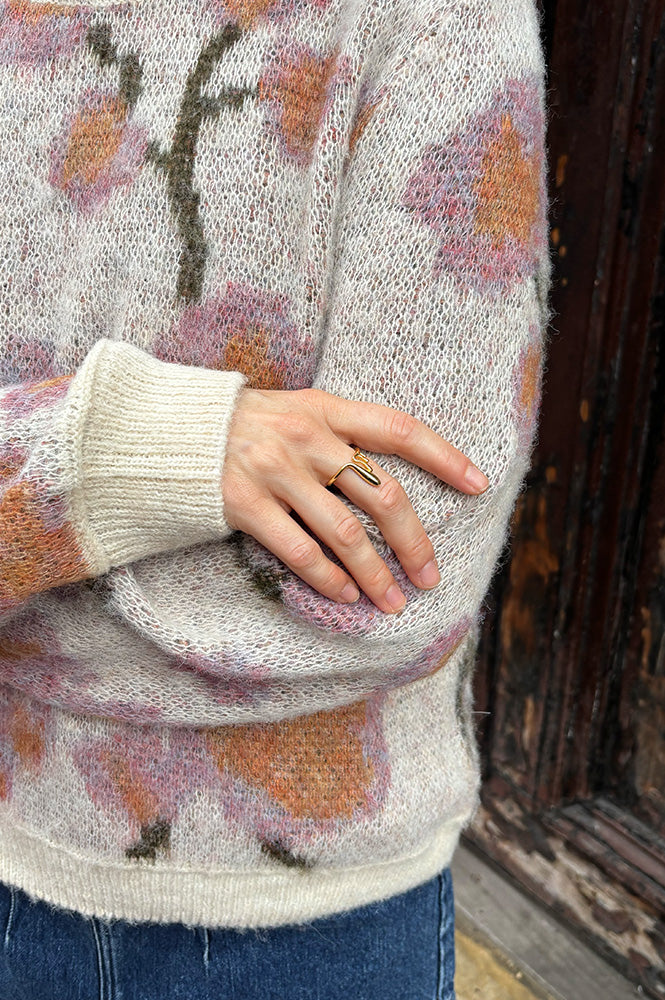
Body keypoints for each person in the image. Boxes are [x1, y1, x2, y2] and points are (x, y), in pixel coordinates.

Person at [0, 0, 550, 995]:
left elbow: (404, 562)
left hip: (298, 929)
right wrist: (136, 451)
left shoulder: (435, 19)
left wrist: (31, 554)